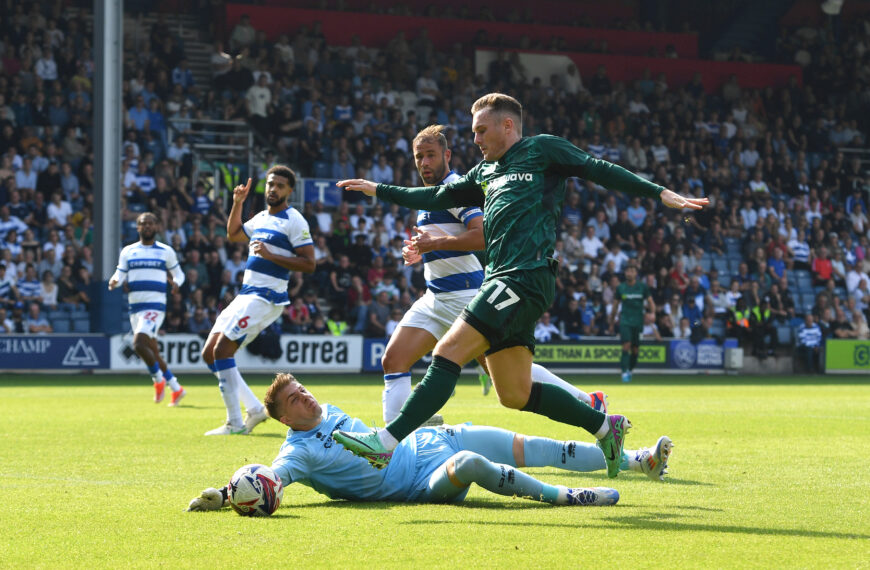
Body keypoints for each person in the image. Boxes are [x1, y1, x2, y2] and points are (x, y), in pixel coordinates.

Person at [336, 93, 707, 475]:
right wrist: (377, 189)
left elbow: (599, 169)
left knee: (447, 353)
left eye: (482, 130)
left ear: (507, 125)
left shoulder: (542, 150)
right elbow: (434, 195)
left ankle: (385, 442)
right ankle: (603, 427)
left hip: (524, 274)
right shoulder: (484, 172)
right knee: (514, 393)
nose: (476, 139)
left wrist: (659, 193)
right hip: (504, 279)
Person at [187, 374, 674, 512]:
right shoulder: (297, 452)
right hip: (419, 482)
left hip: (427, 441)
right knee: (472, 462)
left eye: (304, 390)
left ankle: (638, 461)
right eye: (296, 398)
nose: (307, 397)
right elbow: (273, 480)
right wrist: (227, 495)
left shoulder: (327, 412)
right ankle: (566, 497)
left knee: (529, 443)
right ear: (281, 417)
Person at [382, 125, 602, 425]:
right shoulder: (431, 195)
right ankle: (397, 437)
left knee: (505, 375)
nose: (424, 163)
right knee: (393, 360)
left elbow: (483, 234)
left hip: (465, 298)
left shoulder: (456, 189)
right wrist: (423, 251)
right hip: (435, 298)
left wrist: (434, 243)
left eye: (431, 155)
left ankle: (589, 402)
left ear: (447, 155)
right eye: (419, 156)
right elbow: (448, 239)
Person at [200, 166, 315, 436]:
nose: (273, 189)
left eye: (280, 186)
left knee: (222, 351)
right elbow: (234, 234)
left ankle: (235, 423)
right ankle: (253, 409)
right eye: (270, 184)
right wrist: (237, 204)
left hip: (266, 297)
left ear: (289, 191)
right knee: (209, 354)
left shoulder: (294, 220)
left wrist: (270, 254)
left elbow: (309, 264)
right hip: (246, 294)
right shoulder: (261, 217)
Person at [109, 212, 187, 405]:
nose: (147, 226)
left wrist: (176, 282)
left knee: (138, 344)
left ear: (157, 227)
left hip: (155, 305)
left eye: (151, 223)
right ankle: (176, 388)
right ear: (138, 228)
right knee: (152, 350)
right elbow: (120, 273)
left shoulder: (165, 251)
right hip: (135, 307)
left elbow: (179, 274)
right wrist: (115, 281)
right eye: (143, 224)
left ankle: (158, 380)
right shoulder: (128, 251)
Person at [607, 264, 654, 383]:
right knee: (626, 345)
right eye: (627, 271)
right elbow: (615, 306)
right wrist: (612, 323)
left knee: (635, 350)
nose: (629, 273)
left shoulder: (642, 287)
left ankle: (630, 370)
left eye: (632, 271)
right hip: (625, 321)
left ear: (636, 274)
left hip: (638, 322)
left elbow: (650, 302)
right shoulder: (621, 288)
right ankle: (624, 373)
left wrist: (652, 313)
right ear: (625, 273)